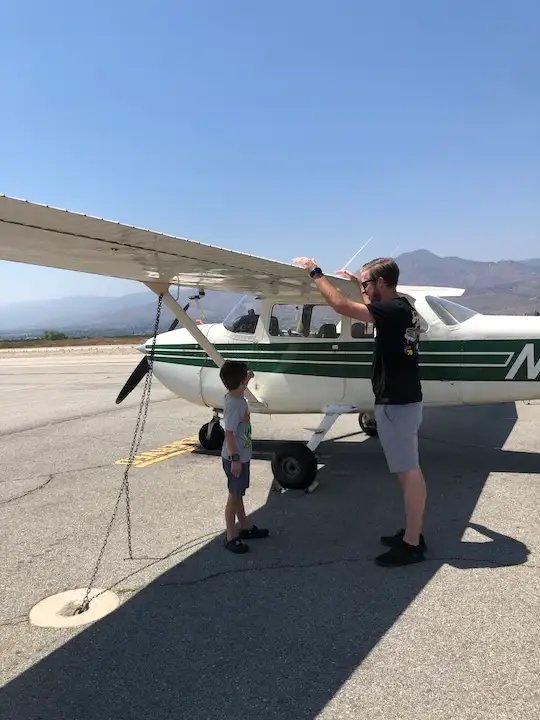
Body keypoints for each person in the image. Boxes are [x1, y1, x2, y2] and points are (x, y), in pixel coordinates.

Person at [292, 255, 427, 567]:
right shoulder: (401, 306)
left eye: (367, 283)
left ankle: (413, 544)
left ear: (381, 283)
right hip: (403, 399)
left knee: (410, 473)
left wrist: (316, 272)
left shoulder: (389, 310)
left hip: (398, 403)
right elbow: (371, 300)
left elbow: (340, 307)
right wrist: (358, 283)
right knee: (407, 471)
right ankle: (413, 532)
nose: (363, 288)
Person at [219, 359, 269, 554]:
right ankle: (230, 536)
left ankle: (245, 527)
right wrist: (235, 459)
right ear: (241, 382)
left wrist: (248, 376)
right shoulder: (235, 405)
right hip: (235, 459)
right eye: (245, 377)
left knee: (239, 495)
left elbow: (240, 381)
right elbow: (229, 433)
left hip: (241, 457)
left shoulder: (234, 396)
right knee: (234, 497)